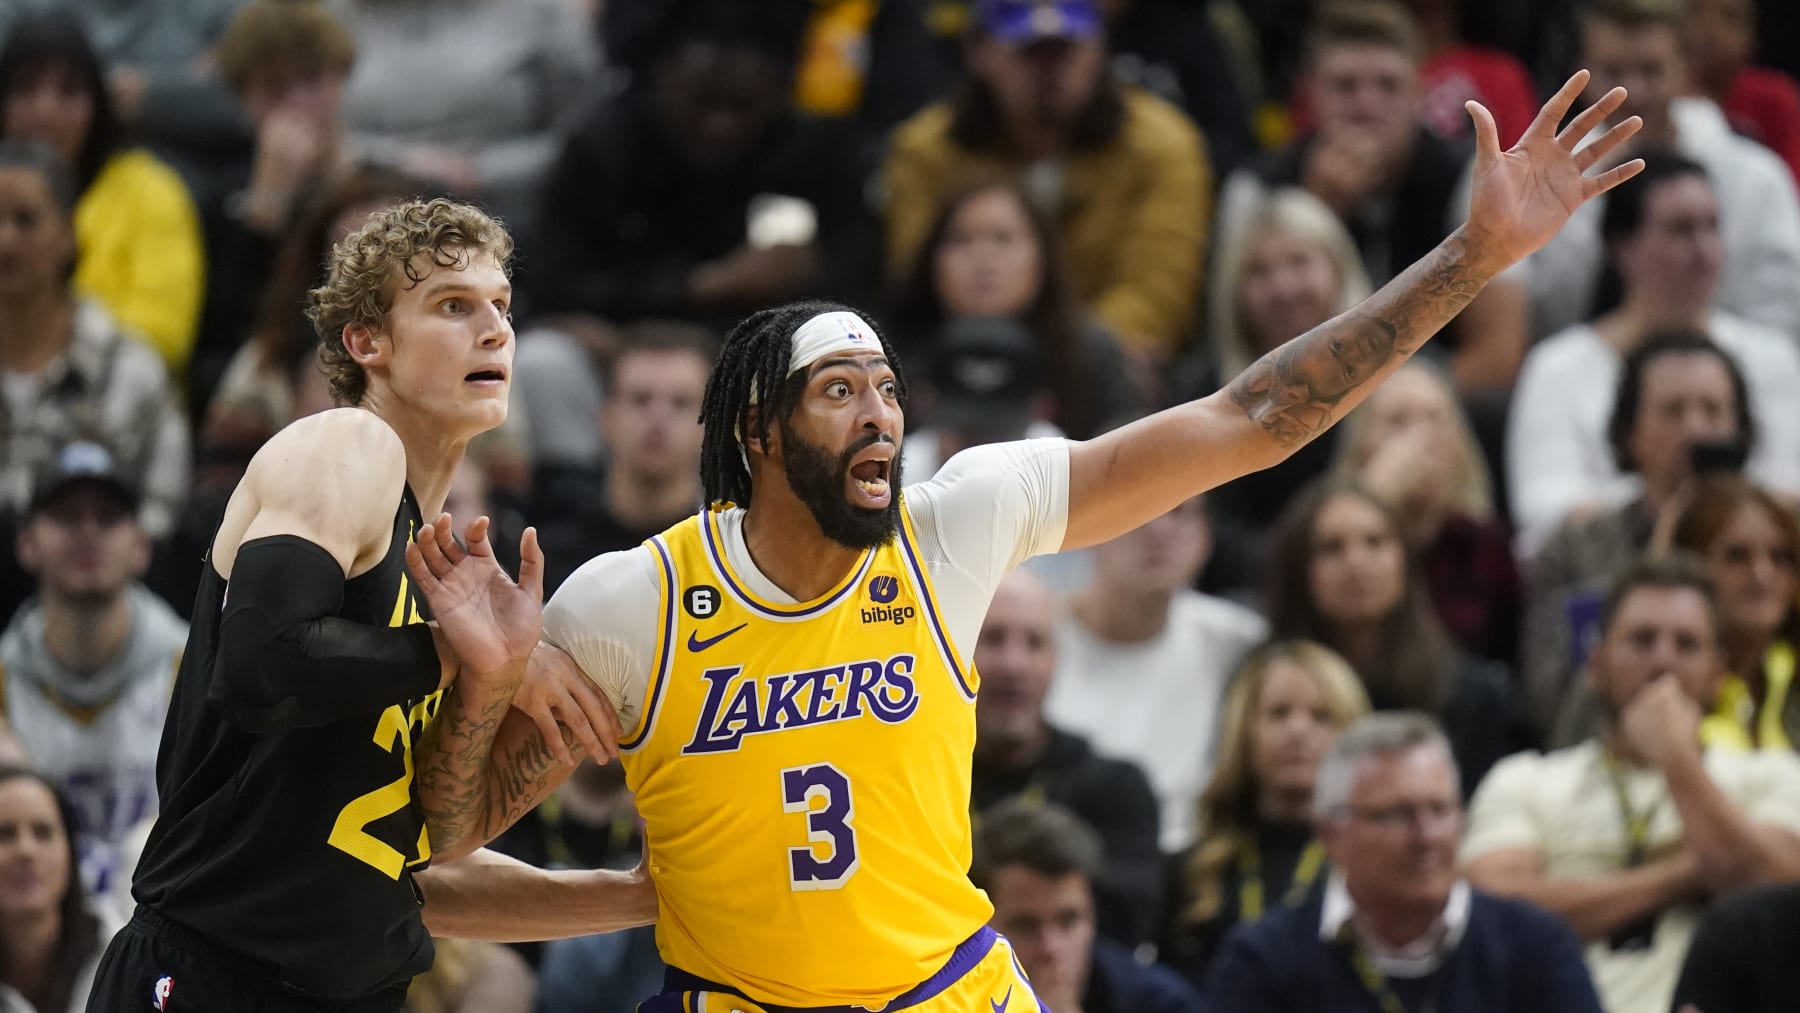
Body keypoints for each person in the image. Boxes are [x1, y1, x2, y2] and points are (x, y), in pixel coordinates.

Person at [435, 74, 1644, 1012]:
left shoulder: (953, 521)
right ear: (759, 430)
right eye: (840, 392)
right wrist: (499, 700)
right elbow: (436, 857)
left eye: (888, 388)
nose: (881, 415)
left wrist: (1471, 259)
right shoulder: (635, 603)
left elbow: (1251, 416)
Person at [83, 198, 657, 1012]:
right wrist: (462, 656)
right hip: (214, 972)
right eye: (453, 306)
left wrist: (642, 896)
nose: (494, 330)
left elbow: (406, 875)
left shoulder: (436, 552)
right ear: (367, 342)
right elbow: (262, 663)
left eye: (501, 306)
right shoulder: (346, 444)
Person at [1462, 554, 1800, 1013]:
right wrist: (1685, 872)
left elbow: (1777, 904)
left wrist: (1678, 760)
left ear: (1719, 674)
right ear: (1596, 662)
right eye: (1642, 640)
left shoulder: (1772, 774)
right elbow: (1495, 918)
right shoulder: (1523, 779)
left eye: (1686, 645)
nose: (1662, 660)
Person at [1206, 713, 1605, 1012]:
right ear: (1332, 836)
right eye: (1397, 814)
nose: (1427, 836)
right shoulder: (1264, 958)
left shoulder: (1533, 944)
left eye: (1440, 809)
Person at [0, 442, 185, 898]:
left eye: (108, 517)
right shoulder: (2, 683)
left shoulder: (191, 667)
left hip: (162, 914)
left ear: (141, 546)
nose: (88, 533)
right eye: (66, 517)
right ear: (26, 543)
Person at [1266, 479, 1523, 793]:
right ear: (1299, 571)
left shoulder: (1472, 694)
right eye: (1332, 548)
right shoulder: (1267, 688)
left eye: (1375, 542)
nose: (1356, 563)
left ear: (1405, 560)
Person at [1047, 496, 1267, 851]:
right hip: (1056, 854)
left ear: (1205, 538)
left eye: (1179, 511)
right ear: (1087, 529)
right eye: (1139, 505)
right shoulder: (1028, 640)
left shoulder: (1237, 643)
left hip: (1188, 861)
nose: (1158, 528)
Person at [0, 10, 206, 378]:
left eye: (68, 91)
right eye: (25, 89)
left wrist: (42, 360)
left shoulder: (153, 192)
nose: (45, 110)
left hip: (110, 393)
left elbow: (161, 338)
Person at [1158, 640, 1371, 986]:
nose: (1298, 730)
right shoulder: (1190, 872)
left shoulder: (1373, 870)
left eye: (1322, 716)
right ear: (1243, 730)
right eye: (1279, 713)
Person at [970, 568, 1162, 946]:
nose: (1013, 665)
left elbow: (1126, 925)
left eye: (1035, 643)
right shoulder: (911, 778)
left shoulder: (1116, 790)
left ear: (1056, 659)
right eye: (992, 639)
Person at [972, 800, 1205, 1013]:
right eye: (1024, 925)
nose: (1051, 947)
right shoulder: (954, 992)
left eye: (1069, 921)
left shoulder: (1158, 1002)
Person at [1665, 476, 1800, 751]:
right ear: (1689, 564)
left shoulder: (1791, 677)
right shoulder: (1654, 673)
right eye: (1737, 556)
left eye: (1780, 557)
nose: (1762, 575)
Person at [0, 768, 120, 1013]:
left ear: (71, 852)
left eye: (43, 832)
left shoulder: (122, 956)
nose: (26, 851)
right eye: (5, 834)